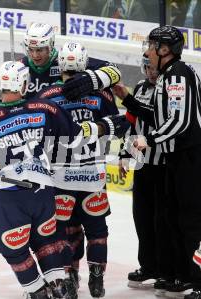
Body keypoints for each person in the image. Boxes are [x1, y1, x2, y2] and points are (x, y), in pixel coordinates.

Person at [0, 61, 128, 299]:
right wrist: (106, 126)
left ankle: (37, 291)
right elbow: (77, 136)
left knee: (13, 248)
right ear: (24, 84)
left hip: (11, 196)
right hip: (43, 191)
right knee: (47, 242)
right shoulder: (44, 108)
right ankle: (58, 287)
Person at [122, 25, 201, 299]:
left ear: (164, 50)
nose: (147, 51)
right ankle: (183, 274)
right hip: (177, 157)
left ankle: (197, 280)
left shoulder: (177, 75)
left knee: (190, 220)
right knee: (174, 218)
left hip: (189, 157)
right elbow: (159, 114)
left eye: (151, 46)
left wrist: (150, 139)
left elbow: (180, 121)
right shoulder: (169, 75)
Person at [37, 41, 119, 298]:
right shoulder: (102, 95)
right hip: (92, 176)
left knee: (65, 231)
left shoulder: (48, 96)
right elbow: (120, 123)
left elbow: (35, 136)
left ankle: (69, 276)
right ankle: (97, 277)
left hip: (61, 179)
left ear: (59, 64)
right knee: (97, 230)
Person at [114, 55, 173, 293]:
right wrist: (124, 153)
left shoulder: (170, 89)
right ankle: (149, 266)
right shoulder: (139, 87)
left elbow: (163, 120)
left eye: (153, 67)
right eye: (147, 67)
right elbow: (131, 122)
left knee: (163, 220)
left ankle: (167, 269)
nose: (150, 71)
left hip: (165, 165)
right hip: (142, 164)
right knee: (142, 217)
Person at [21, 22, 122, 100]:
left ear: (50, 46)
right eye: (30, 49)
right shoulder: (20, 66)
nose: (34, 55)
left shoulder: (64, 59)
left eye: (39, 50)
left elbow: (114, 69)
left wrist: (89, 81)